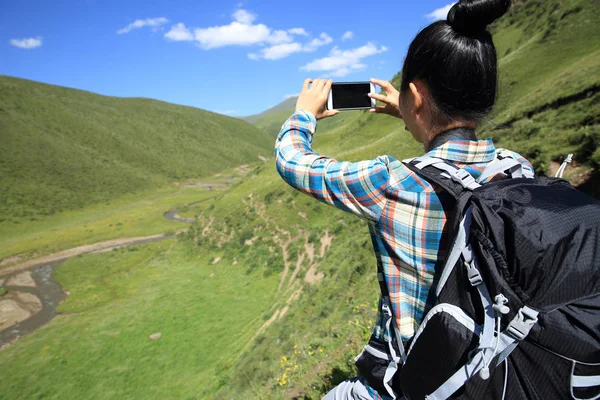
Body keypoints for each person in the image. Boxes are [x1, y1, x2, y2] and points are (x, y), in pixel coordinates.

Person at [274, 0, 530, 398]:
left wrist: (303, 115)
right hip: (492, 363)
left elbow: (293, 162)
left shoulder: (393, 182)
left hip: (412, 380)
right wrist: (416, 114)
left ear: (416, 93)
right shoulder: (516, 169)